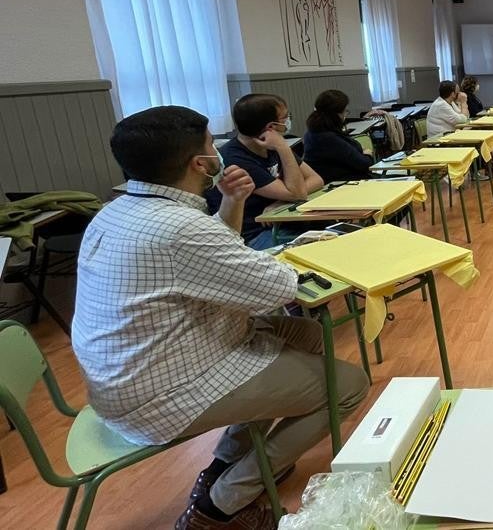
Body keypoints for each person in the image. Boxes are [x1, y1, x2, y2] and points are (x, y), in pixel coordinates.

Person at [73, 106, 368, 530]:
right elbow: (279, 288)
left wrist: (232, 201)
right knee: (349, 386)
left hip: (125, 377)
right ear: (199, 163)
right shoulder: (179, 227)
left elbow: (210, 257)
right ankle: (221, 505)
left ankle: (228, 462)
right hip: (160, 393)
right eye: (212, 144)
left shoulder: (116, 211)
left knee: (302, 335)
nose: (218, 150)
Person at [207, 94, 323, 250]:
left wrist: (282, 202)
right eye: (285, 117)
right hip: (254, 236)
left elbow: (316, 179)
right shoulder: (235, 159)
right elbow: (298, 194)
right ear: (271, 127)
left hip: (284, 222)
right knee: (322, 246)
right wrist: (283, 147)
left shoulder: (270, 145)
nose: (288, 120)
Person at [301, 89, 373, 183]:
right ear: (335, 114)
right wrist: (368, 154)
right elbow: (364, 164)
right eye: (344, 111)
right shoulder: (327, 138)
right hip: (341, 184)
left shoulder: (313, 132)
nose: (345, 115)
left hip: (342, 180)